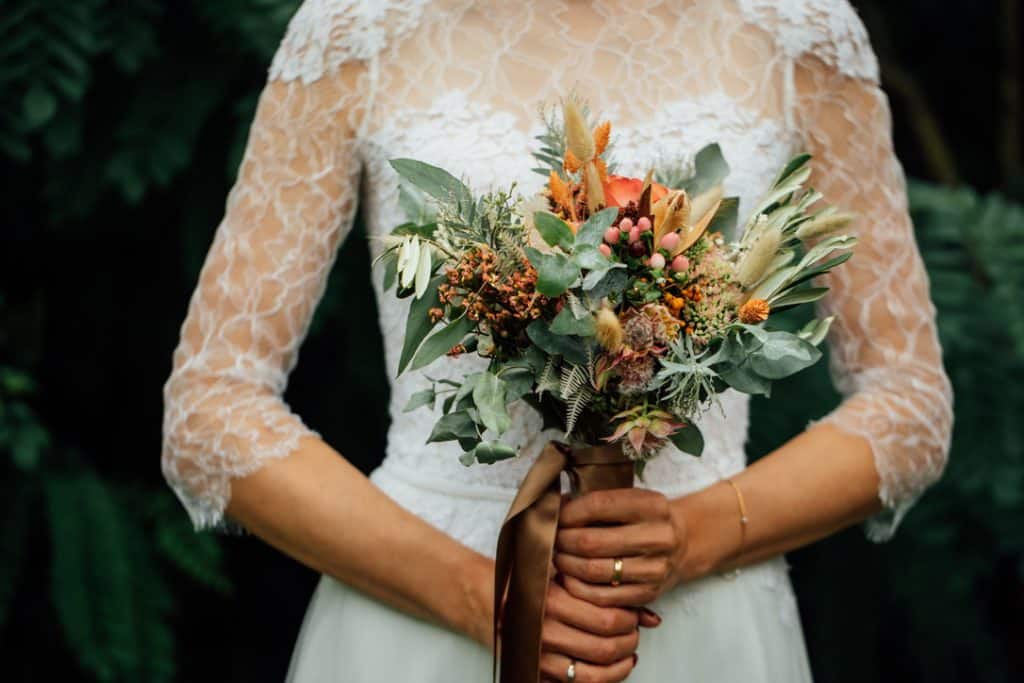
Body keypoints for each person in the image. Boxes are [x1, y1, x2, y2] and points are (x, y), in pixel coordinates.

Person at [160, 1, 954, 681]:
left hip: (693, 625)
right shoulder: (360, 29)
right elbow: (211, 410)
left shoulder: (797, 33)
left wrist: (697, 533)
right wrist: (484, 595)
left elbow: (909, 402)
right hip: (424, 616)